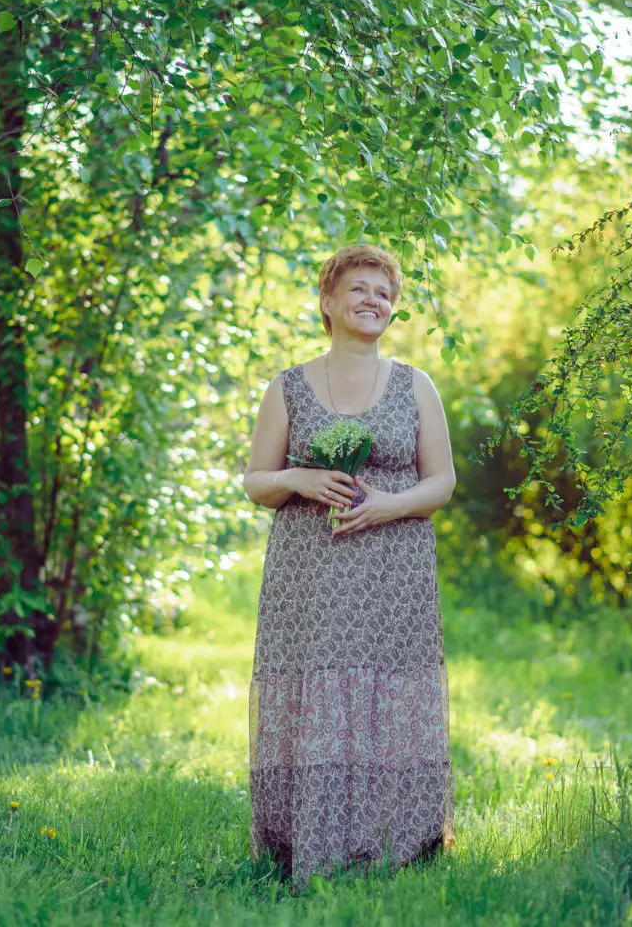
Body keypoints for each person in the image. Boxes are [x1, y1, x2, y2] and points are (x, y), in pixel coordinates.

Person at [243, 243, 457, 890]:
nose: (373, 301)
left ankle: (395, 840)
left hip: (395, 568)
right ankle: (305, 842)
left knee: (385, 691)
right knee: (318, 694)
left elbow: (443, 482)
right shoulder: (287, 386)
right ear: (328, 303)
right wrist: (299, 478)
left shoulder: (416, 385)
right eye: (359, 289)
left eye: (384, 293)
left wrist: (388, 506)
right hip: (309, 571)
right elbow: (256, 480)